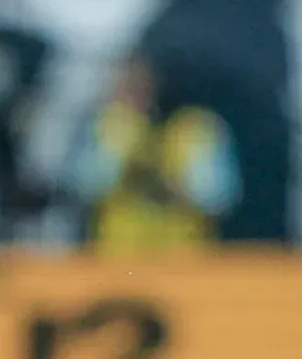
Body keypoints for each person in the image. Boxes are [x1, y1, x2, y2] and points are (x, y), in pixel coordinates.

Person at [76, 52, 236, 249]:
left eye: (139, 85)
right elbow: (87, 188)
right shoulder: (105, 128)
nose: (133, 94)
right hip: (118, 260)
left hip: (186, 262)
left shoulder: (194, 131)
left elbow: (216, 199)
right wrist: (118, 146)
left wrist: (175, 180)